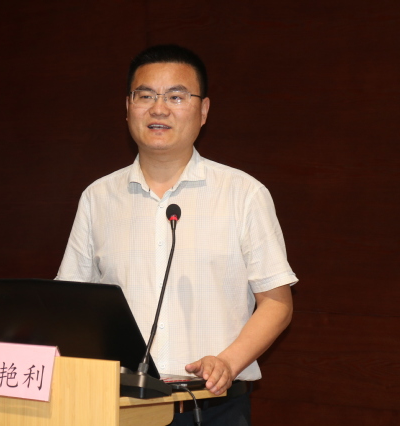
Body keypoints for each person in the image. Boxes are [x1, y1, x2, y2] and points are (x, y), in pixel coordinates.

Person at [55, 44, 297, 425]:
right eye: (145, 95)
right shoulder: (98, 198)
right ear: (127, 107)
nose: (159, 108)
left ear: (203, 111)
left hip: (212, 408)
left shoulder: (243, 194)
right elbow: (68, 302)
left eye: (176, 96)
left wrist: (227, 363)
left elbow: (277, 303)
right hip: (118, 408)